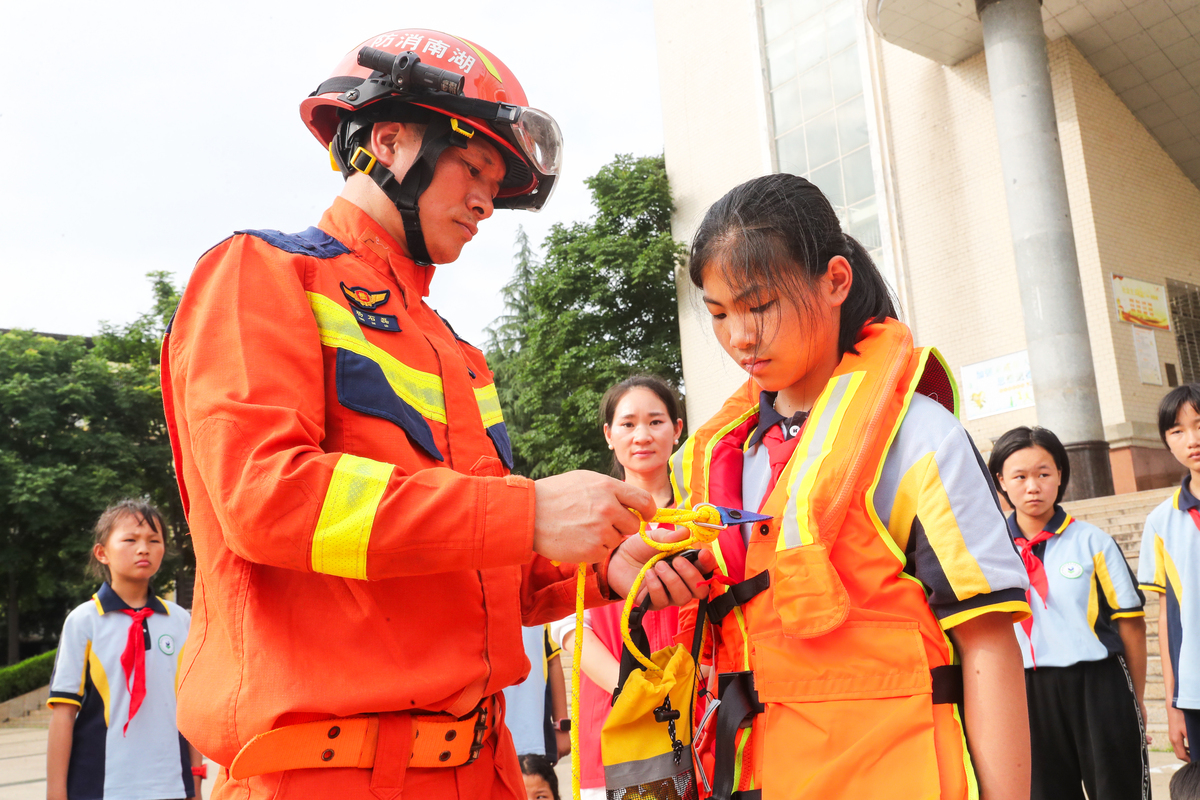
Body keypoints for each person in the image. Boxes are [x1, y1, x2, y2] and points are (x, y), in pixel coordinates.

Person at [159, 28, 712, 800]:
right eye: (475, 167)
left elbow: (471, 565)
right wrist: (527, 512)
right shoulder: (262, 274)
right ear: (389, 140)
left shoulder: (454, 351)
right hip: (332, 774)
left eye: (497, 179)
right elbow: (266, 498)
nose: (489, 200)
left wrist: (603, 562)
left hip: (479, 771)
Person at [671, 173, 1031, 799]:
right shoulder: (721, 460)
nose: (739, 338)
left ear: (835, 281)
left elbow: (989, 642)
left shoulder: (918, 436)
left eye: (759, 306)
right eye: (720, 314)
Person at [989, 425, 1148, 800]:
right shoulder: (990, 550)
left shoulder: (1093, 541)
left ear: (1060, 474)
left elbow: (1132, 625)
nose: (1033, 486)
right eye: (1020, 476)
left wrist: (1134, 698)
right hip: (1025, 690)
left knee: (1118, 789)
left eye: (1044, 474)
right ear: (1001, 481)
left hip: (1099, 684)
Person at [550, 375, 685, 799]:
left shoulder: (702, 518)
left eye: (656, 421)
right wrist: (632, 692)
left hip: (694, 712)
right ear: (609, 435)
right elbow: (569, 628)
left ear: (677, 429)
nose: (642, 435)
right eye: (627, 424)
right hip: (616, 717)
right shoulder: (585, 521)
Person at [45, 500, 203, 800]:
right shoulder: (84, 620)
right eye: (130, 539)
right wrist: (56, 793)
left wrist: (195, 782)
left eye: (154, 541)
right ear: (102, 552)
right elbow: (63, 714)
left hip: (171, 785)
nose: (143, 548)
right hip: (99, 786)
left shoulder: (181, 621)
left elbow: (191, 710)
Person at [1139, 383, 1200, 765]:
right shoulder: (1161, 522)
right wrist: (1174, 702)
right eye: (1177, 431)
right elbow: (1166, 616)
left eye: (1199, 424)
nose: (1192, 439)